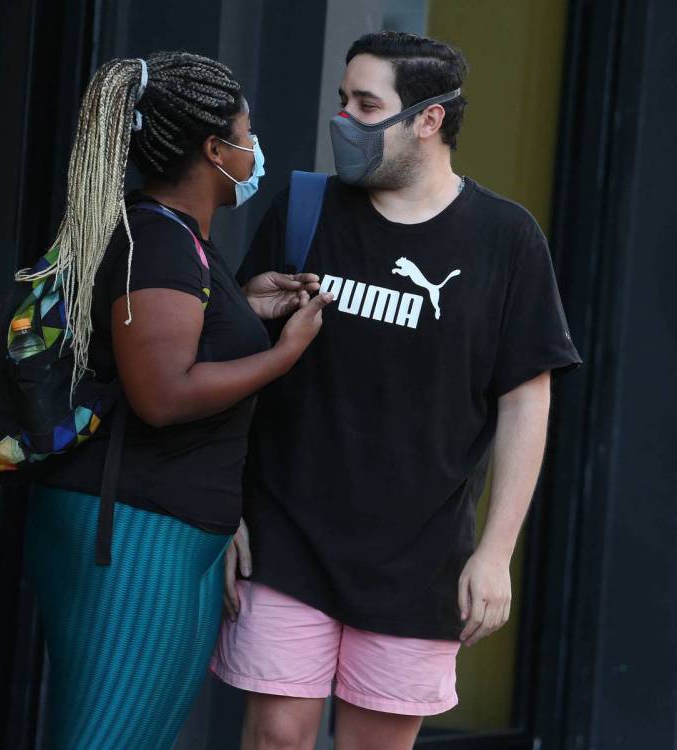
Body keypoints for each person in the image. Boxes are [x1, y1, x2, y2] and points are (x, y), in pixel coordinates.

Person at [211, 32, 582, 749]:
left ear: (428, 119)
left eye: (366, 103)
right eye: (342, 101)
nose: (345, 119)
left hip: (421, 552)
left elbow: (525, 399)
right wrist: (228, 507)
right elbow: (234, 365)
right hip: (287, 532)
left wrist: (496, 552)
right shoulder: (305, 209)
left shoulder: (505, 239)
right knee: (276, 736)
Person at [24, 54, 332, 749]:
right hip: (134, 531)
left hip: (171, 528)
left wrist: (245, 308)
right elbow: (162, 395)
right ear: (214, 150)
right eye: (247, 133)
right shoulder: (157, 242)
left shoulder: (177, 239)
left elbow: (182, 334)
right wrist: (281, 355)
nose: (255, 150)